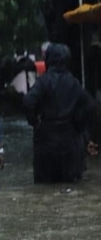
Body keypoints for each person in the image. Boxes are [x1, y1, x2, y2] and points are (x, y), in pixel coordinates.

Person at [23, 42, 95, 183]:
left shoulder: (43, 82)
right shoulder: (74, 83)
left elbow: (28, 102)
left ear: (48, 60)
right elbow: (91, 106)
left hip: (45, 146)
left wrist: (35, 122)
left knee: (44, 192)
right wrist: (79, 126)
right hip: (70, 146)